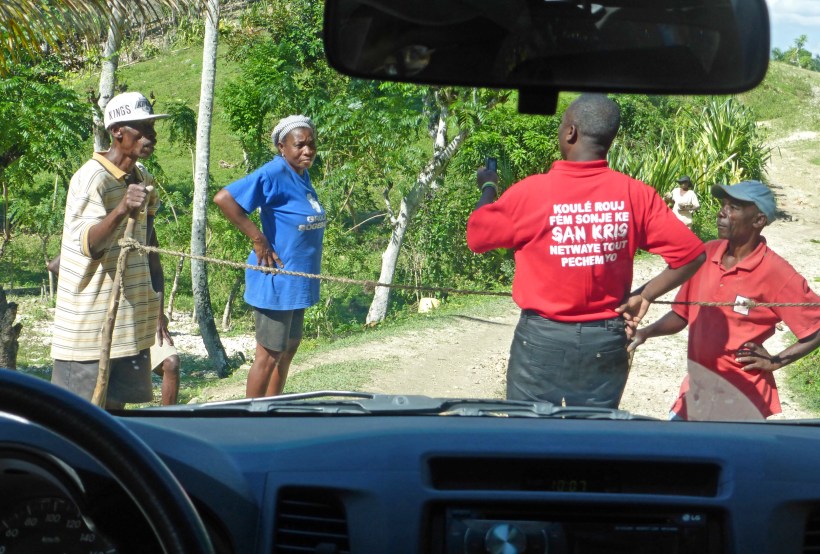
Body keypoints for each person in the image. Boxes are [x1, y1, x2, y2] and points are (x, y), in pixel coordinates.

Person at [466, 94, 706, 408]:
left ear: (570, 132)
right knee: (594, 438)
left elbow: (477, 236)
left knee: (528, 438)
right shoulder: (635, 194)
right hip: (605, 340)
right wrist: (645, 294)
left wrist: (488, 187)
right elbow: (692, 254)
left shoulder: (530, 192)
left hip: (542, 339)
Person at [629, 180, 820, 421]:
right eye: (723, 205)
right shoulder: (706, 254)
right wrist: (645, 333)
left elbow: (816, 327)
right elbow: (682, 315)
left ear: (758, 220)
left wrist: (774, 361)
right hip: (697, 392)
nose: (722, 212)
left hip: (742, 401)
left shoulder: (776, 272)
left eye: (734, 207)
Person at [50, 91, 169, 410]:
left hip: (129, 324)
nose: (151, 135)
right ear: (117, 132)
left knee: (115, 419)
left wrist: (157, 303)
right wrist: (120, 210)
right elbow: (90, 244)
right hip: (88, 332)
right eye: (142, 127)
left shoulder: (143, 178)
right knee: (79, 422)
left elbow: (148, 243)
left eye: (152, 127)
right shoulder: (92, 179)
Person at [214, 115, 324, 398]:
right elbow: (224, 199)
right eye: (300, 145)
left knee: (288, 349)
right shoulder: (274, 173)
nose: (307, 151)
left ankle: (272, 409)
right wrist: (257, 238)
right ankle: (249, 418)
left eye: (311, 144)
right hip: (276, 279)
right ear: (281, 147)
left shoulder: (302, 174)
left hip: (298, 280)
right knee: (269, 355)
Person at [49, 246, 180, 406]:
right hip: (102, 319)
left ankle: (166, 423)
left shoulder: (144, 225)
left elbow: (156, 271)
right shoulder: (103, 228)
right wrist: (90, 288)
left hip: (140, 316)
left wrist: (158, 317)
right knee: (110, 399)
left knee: (171, 363)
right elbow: (55, 265)